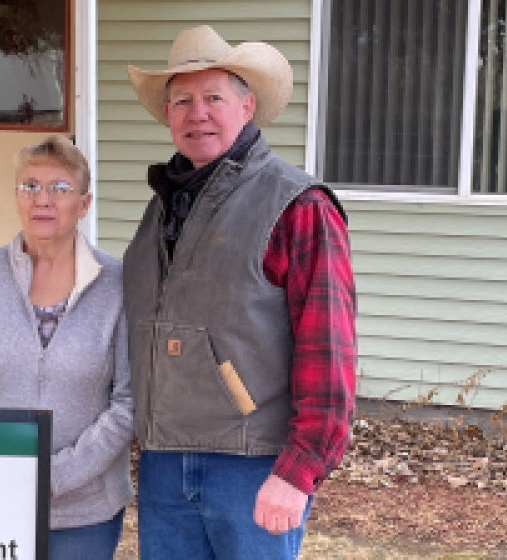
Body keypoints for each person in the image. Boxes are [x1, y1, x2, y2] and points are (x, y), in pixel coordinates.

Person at [123, 25, 357, 559]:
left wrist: (299, 472)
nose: (196, 112)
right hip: (162, 465)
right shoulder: (161, 209)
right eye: (181, 99)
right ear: (167, 115)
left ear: (247, 107)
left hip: (252, 467)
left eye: (213, 97)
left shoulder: (298, 206)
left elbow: (330, 348)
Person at [0, 135, 133, 559]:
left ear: (85, 203)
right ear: (16, 197)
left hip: (84, 511)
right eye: (30, 186)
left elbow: (129, 400)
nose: (43, 199)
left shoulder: (117, 284)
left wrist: (50, 476)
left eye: (60, 188)